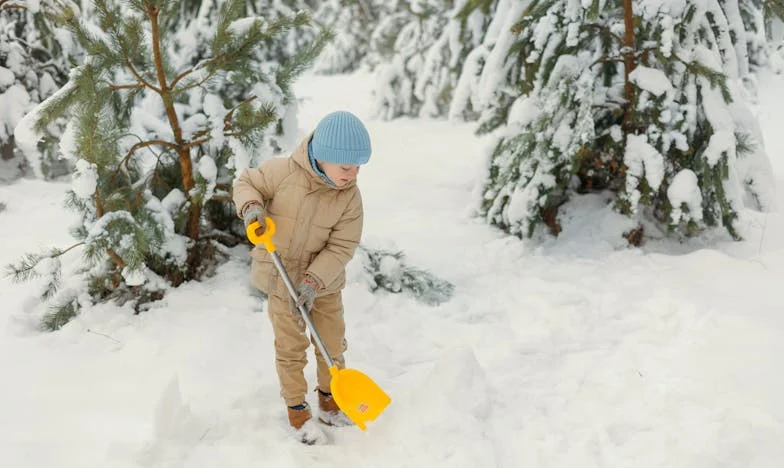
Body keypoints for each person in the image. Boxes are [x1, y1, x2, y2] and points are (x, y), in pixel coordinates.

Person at [232, 110, 371, 444]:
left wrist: (313, 281)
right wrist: (252, 206)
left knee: (332, 344)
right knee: (290, 347)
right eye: (346, 167)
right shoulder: (281, 172)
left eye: (358, 167)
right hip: (281, 281)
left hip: (323, 286)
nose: (352, 175)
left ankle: (329, 400)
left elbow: (341, 246)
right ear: (323, 157)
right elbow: (245, 181)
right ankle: (297, 408)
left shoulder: (350, 199)